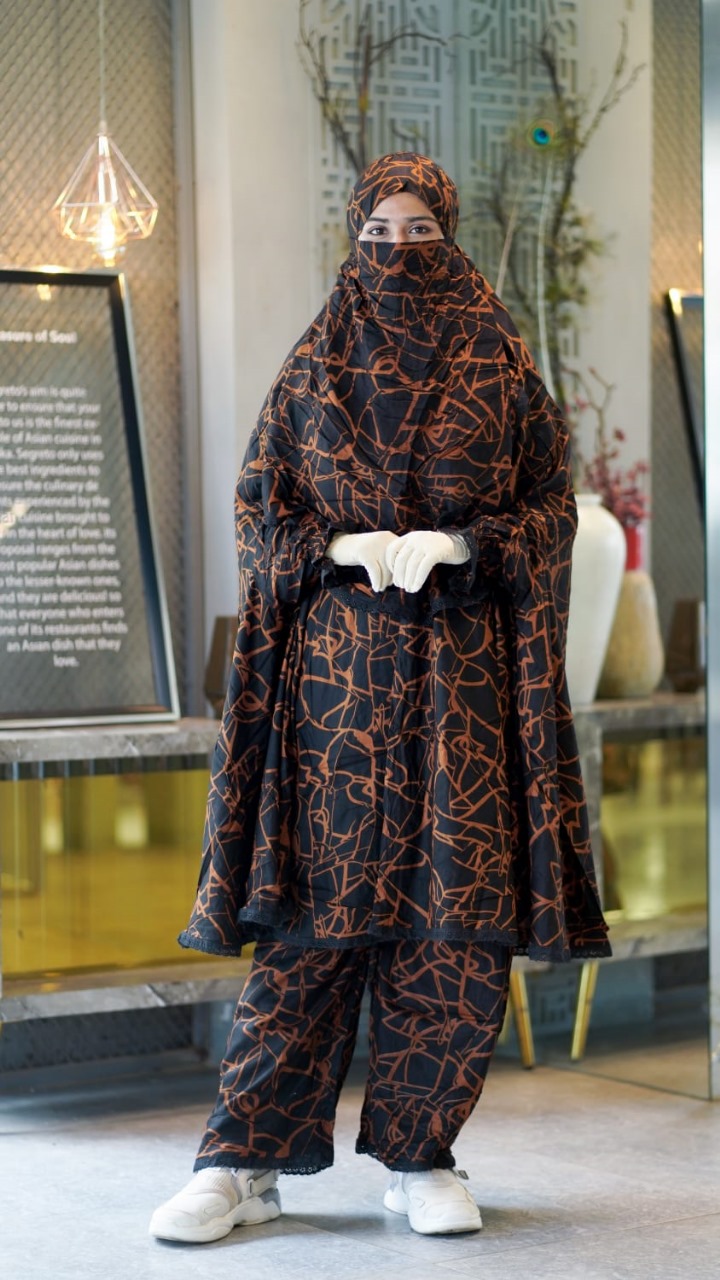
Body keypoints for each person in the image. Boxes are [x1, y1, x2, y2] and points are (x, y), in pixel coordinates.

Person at [149, 152, 610, 1245]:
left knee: (455, 925)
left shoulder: (500, 362)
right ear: (354, 241)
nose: (398, 252)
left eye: (419, 233)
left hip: (463, 687)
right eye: (378, 235)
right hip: (336, 697)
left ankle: (420, 1153)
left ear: (449, 236)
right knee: (313, 927)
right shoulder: (313, 366)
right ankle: (242, 1159)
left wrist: (463, 542)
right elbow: (260, 508)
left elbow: (554, 506)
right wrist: (339, 545)